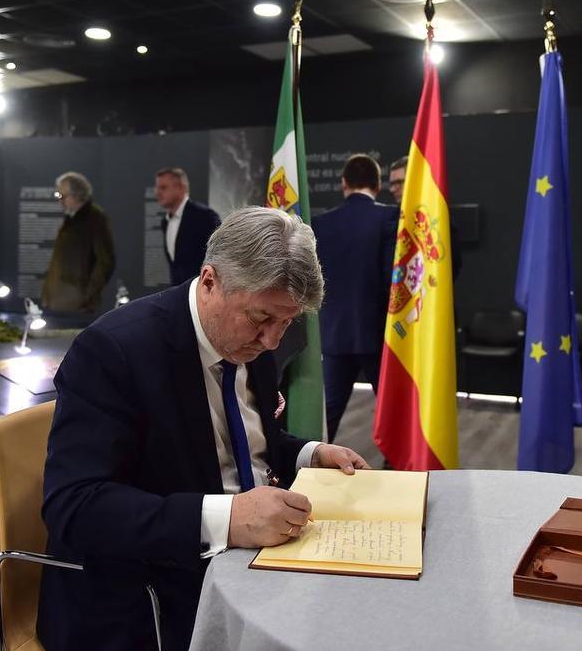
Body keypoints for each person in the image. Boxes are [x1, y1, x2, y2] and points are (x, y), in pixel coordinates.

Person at [38, 206, 370, 651]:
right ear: (210, 281)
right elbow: (74, 506)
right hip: (150, 593)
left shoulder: (251, 336)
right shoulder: (114, 351)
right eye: (261, 320)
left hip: (253, 559)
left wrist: (308, 453)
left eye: (287, 322)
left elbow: (243, 444)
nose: (272, 341)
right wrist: (229, 518)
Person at [312, 154, 398, 442]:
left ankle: (308, 470)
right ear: (378, 184)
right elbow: (393, 282)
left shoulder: (321, 224)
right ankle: (399, 475)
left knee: (327, 417)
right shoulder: (390, 218)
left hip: (335, 334)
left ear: (343, 183)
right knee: (392, 416)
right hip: (380, 335)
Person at [41, 171, 115, 314]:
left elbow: (105, 261)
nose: (60, 200)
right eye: (58, 195)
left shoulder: (95, 218)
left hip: (77, 304)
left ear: (78, 195)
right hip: (61, 301)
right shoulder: (71, 218)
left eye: (63, 196)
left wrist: (87, 296)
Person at [156, 167, 221, 285]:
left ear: (180, 188)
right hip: (178, 295)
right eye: (158, 188)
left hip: (202, 294)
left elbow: (219, 255)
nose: (158, 193)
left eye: (163, 187)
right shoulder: (165, 222)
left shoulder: (204, 217)